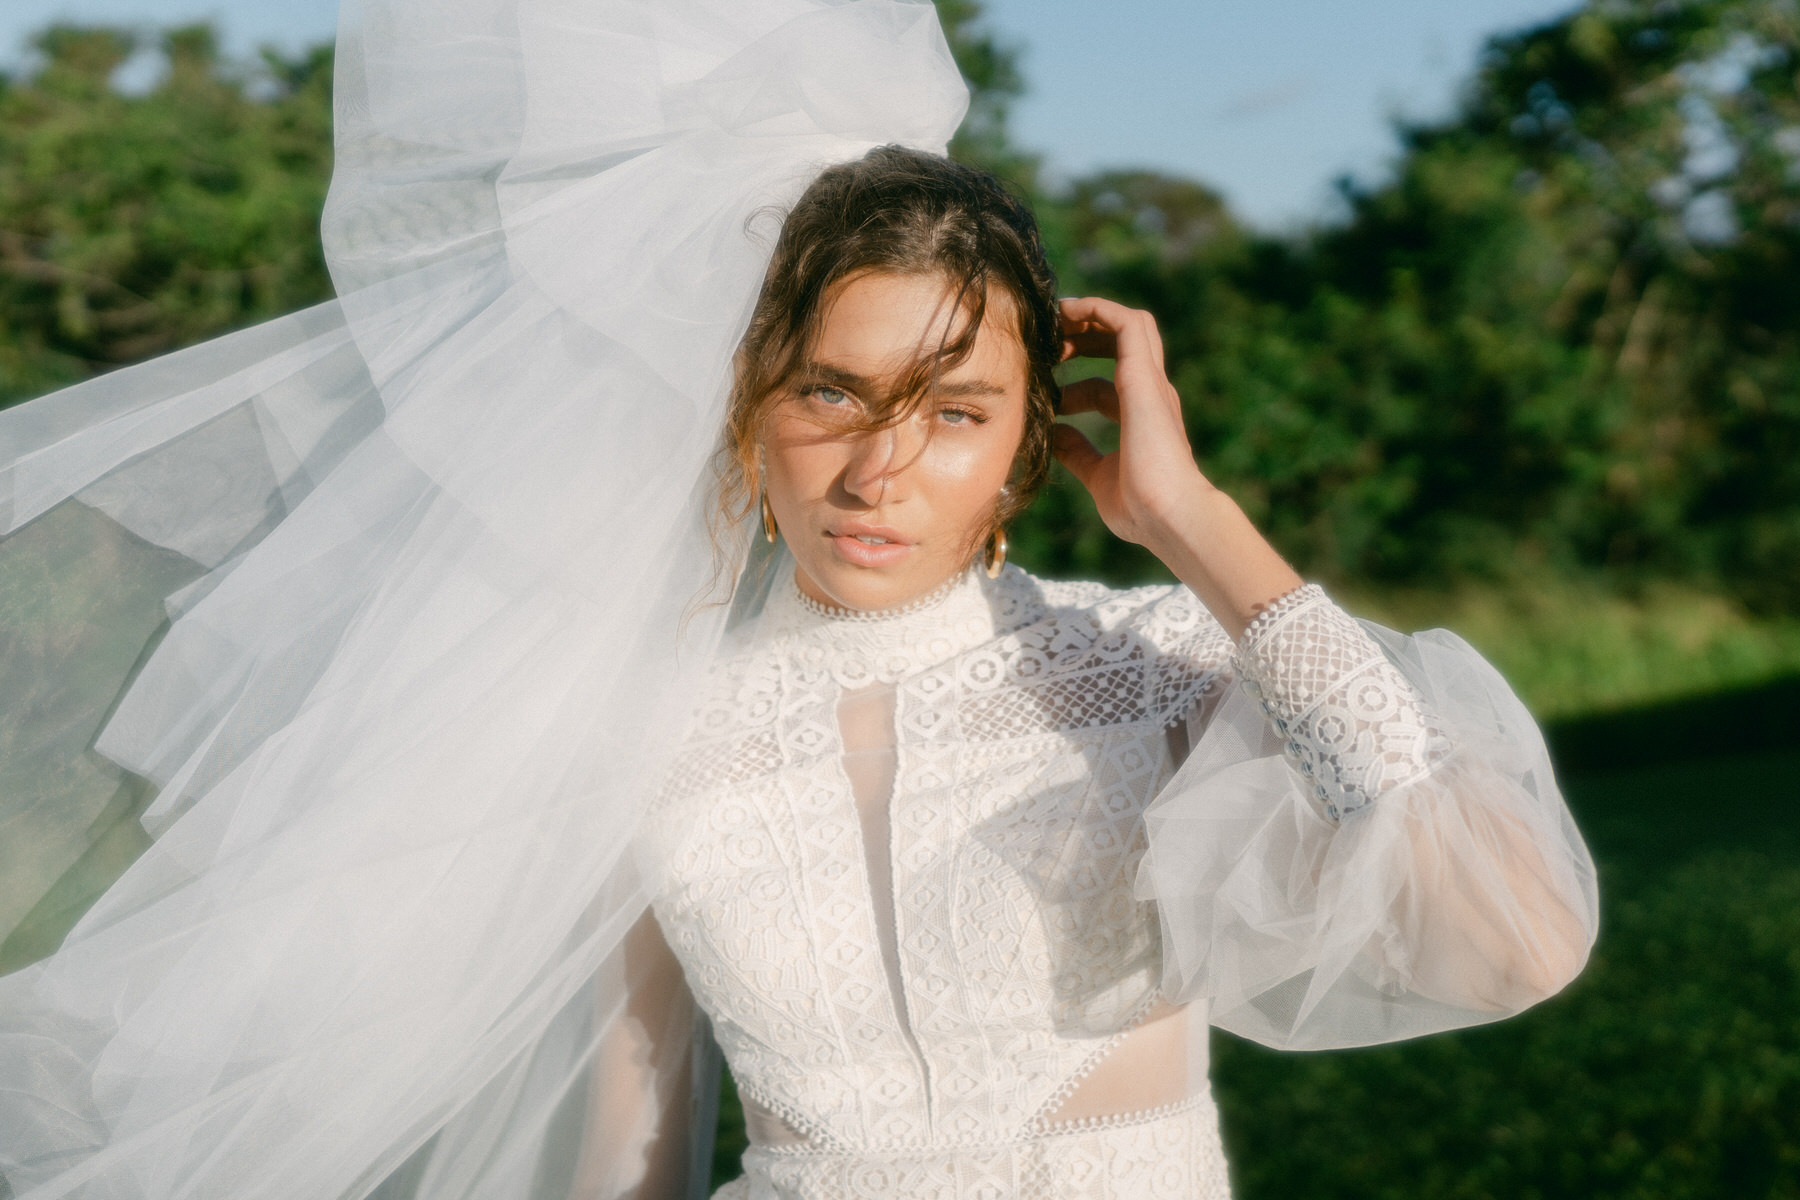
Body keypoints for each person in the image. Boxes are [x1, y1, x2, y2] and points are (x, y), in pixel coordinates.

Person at [0, 1, 1596, 1197]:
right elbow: (632, 1131)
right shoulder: (635, 720)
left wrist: (1199, 526)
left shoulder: (1157, 666)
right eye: (830, 395)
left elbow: (1513, 940)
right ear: (748, 406)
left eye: (953, 411)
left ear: (1027, 437)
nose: (878, 468)